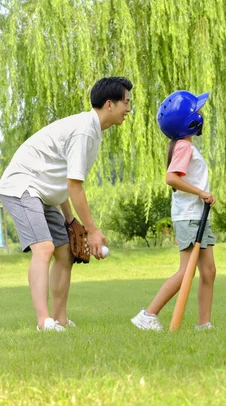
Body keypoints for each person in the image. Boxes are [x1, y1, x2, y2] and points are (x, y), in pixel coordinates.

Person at [0, 77, 133, 331]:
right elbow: (74, 187)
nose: (128, 109)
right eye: (126, 102)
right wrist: (92, 231)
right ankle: (44, 321)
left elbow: (63, 181)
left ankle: (60, 319)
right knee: (44, 248)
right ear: (109, 104)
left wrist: (70, 221)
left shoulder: (93, 132)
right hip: (22, 186)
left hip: (45, 193)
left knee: (64, 252)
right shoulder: (84, 130)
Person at [131, 90, 217, 331]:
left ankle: (204, 325)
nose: (200, 114)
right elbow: (171, 178)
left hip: (197, 215)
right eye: (197, 111)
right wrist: (201, 194)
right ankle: (147, 315)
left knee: (208, 271)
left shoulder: (185, 146)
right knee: (186, 272)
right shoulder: (184, 147)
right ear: (189, 121)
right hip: (189, 216)